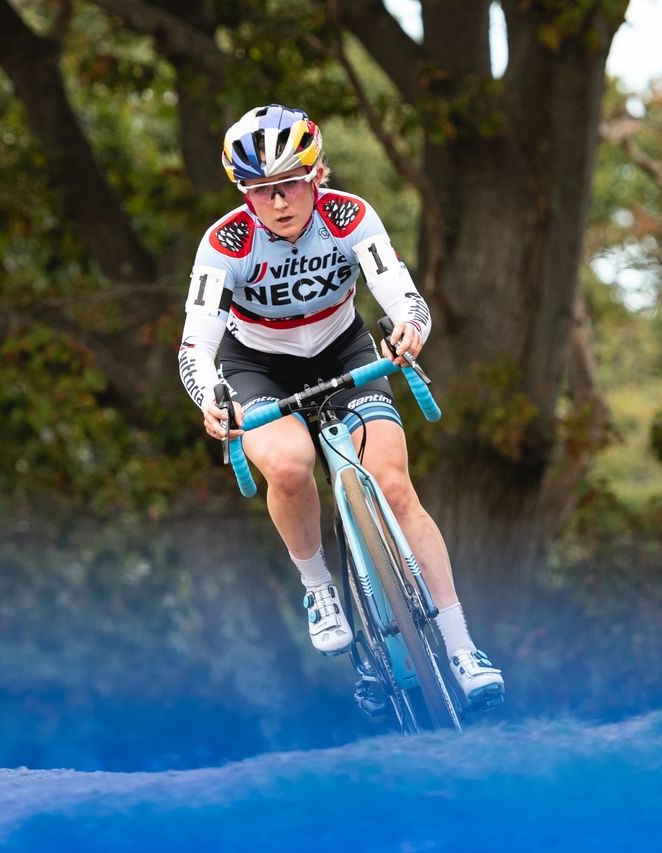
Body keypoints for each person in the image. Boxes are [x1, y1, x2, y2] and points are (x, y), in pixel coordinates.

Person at [177, 104, 504, 708]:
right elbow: (196, 341)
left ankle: (462, 649)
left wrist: (409, 326)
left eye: (290, 185)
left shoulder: (349, 216)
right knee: (290, 464)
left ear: (315, 175)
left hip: (344, 350)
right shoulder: (224, 242)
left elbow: (399, 290)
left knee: (395, 485)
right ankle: (318, 585)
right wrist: (209, 398)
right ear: (244, 192)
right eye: (260, 191)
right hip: (257, 367)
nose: (277, 202)